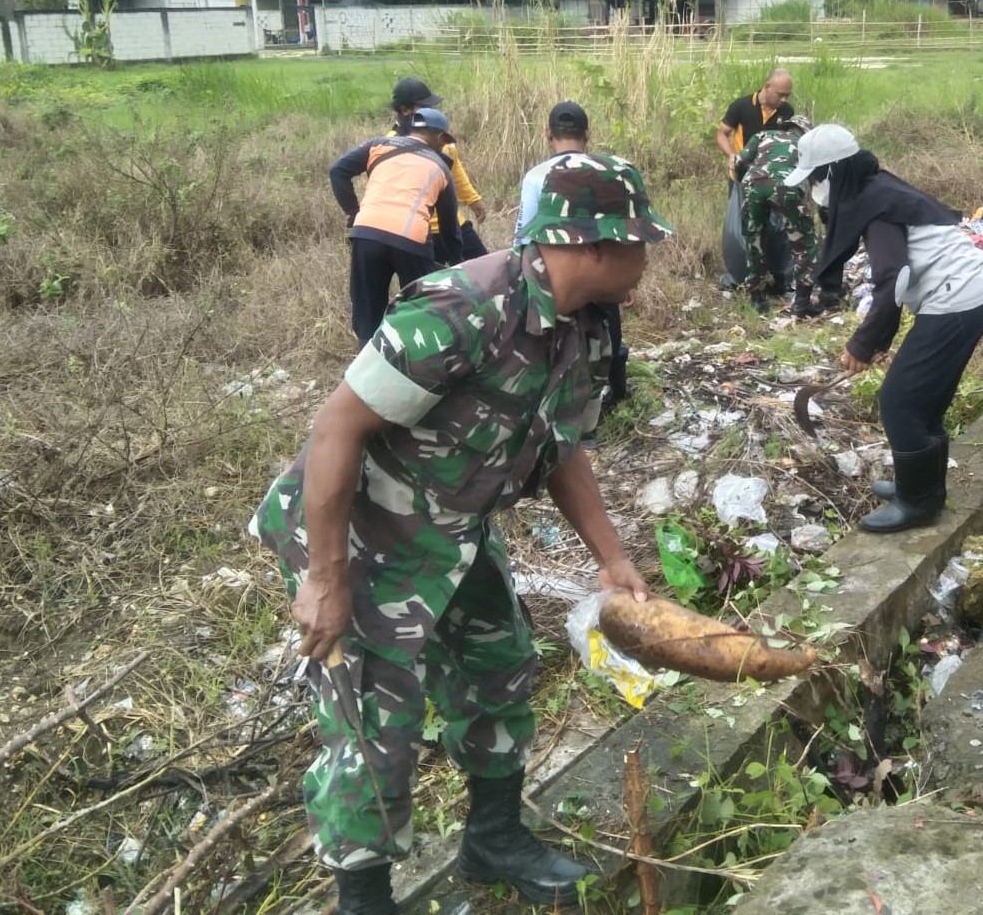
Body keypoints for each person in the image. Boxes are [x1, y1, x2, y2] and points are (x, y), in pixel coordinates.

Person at [252, 151, 671, 915]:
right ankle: (366, 897)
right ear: (591, 243)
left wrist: (612, 558)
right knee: (378, 722)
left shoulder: (581, 325)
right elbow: (336, 427)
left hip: (455, 524)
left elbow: (559, 447)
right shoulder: (460, 308)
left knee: (500, 665)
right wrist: (324, 576)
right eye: (640, 242)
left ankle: (493, 838)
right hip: (364, 532)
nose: (649, 258)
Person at [786, 124, 983, 532]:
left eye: (815, 178)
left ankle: (916, 504)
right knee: (926, 401)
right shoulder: (874, 188)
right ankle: (923, 489)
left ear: (833, 173)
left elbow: (894, 278)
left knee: (899, 402)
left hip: (955, 300)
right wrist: (880, 335)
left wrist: (866, 341)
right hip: (969, 293)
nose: (813, 188)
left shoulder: (875, 205)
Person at [516, 102, 630, 434]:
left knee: (554, 340)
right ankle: (610, 402)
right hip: (602, 270)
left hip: (555, 275)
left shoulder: (537, 176)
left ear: (548, 134)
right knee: (608, 333)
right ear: (588, 133)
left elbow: (525, 232)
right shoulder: (609, 170)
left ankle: (558, 414)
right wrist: (625, 280)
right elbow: (621, 231)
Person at [330, 108, 459, 347]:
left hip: (366, 233)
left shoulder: (379, 145)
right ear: (439, 137)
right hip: (410, 241)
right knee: (420, 308)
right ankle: (416, 360)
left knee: (368, 310)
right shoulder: (441, 168)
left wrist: (353, 212)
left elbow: (337, 171)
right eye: (444, 142)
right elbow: (450, 228)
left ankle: (367, 362)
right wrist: (458, 265)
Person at [386, 78, 490, 262]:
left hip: (452, 224)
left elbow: (455, 170)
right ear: (405, 110)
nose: (431, 111)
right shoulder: (389, 144)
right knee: (427, 287)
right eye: (424, 106)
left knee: (484, 271)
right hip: (417, 231)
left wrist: (473, 200)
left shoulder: (438, 135)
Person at [735, 114, 820, 316]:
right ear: (806, 132)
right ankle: (801, 303)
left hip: (752, 185)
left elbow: (739, 161)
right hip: (787, 187)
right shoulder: (806, 145)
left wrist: (742, 183)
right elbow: (814, 179)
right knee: (804, 243)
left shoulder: (762, 135)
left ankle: (756, 298)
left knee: (754, 241)